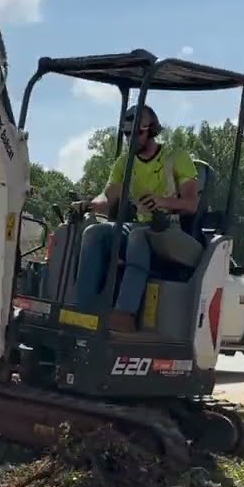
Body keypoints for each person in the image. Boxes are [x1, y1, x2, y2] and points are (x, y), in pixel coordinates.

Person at [71, 103, 200, 331]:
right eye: (127, 134)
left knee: (138, 237)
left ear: (152, 130)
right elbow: (108, 196)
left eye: (136, 133)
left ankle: (125, 314)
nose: (131, 139)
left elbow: (191, 204)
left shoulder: (176, 158)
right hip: (136, 227)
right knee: (94, 232)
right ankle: (84, 311)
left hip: (171, 230)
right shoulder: (124, 163)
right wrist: (89, 205)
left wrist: (163, 202)